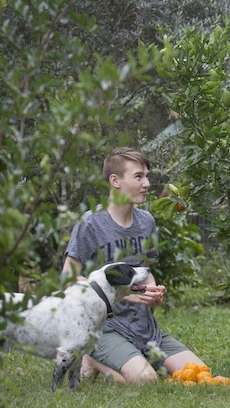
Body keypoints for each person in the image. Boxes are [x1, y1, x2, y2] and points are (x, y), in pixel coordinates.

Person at [62, 147, 207, 385]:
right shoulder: (89, 223)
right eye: (139, 176)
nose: (147, 183)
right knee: (147, 381)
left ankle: (132, 358)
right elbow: (68, 278)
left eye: (147, 176)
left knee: (200, 373)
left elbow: (145, 271)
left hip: (144, 327)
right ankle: (91, 356)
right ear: (115, 181)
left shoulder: (146, 222)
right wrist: (123, 295)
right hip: (104, 328)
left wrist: (153, 290)